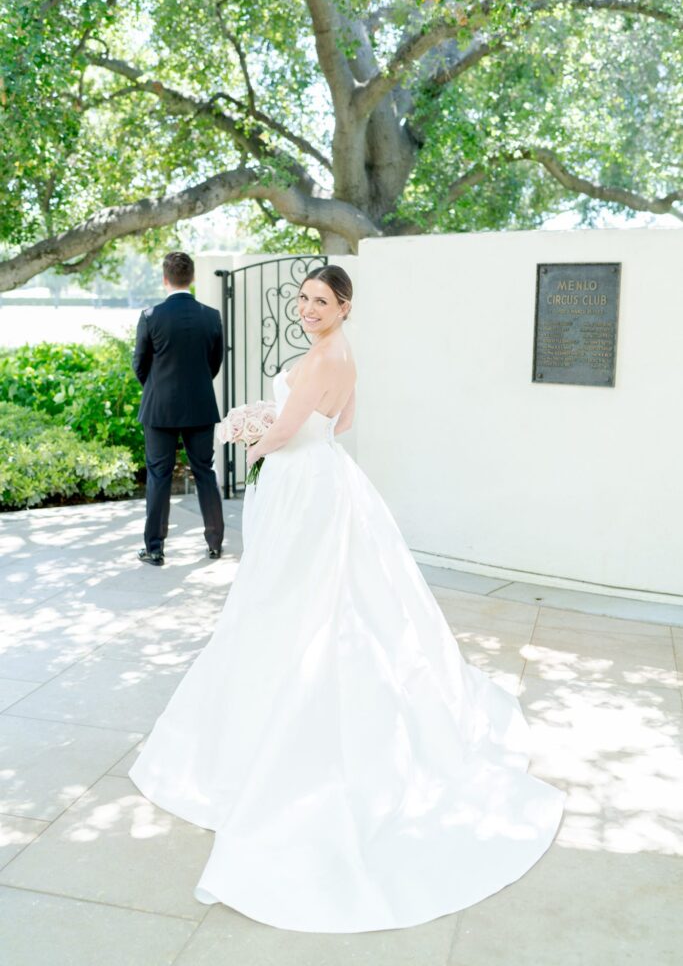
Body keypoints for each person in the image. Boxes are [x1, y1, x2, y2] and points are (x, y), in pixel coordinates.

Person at [128, 264, 565, 933]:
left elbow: (286, 432)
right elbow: (341, 421)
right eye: (302, 299)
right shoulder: (343, 358)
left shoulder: (321, 356)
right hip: (329, 474)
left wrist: (250, 440)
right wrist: (277, 422)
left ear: (344, 307)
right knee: (328, 597)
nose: (307, 309)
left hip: (302, 485)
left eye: (320, 301)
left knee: (289, 599)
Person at [132, 251, 224, 566]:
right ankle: (215, 544)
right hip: (200, 406)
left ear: (165, 278)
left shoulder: (150, 316)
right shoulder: (211, 316)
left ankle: (155, 549)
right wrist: (195, 386)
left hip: (159, 409)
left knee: (158, 475)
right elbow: (214, 363)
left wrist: (158, 388)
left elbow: (139, 365)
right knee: (205, 473)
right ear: (193, 278)